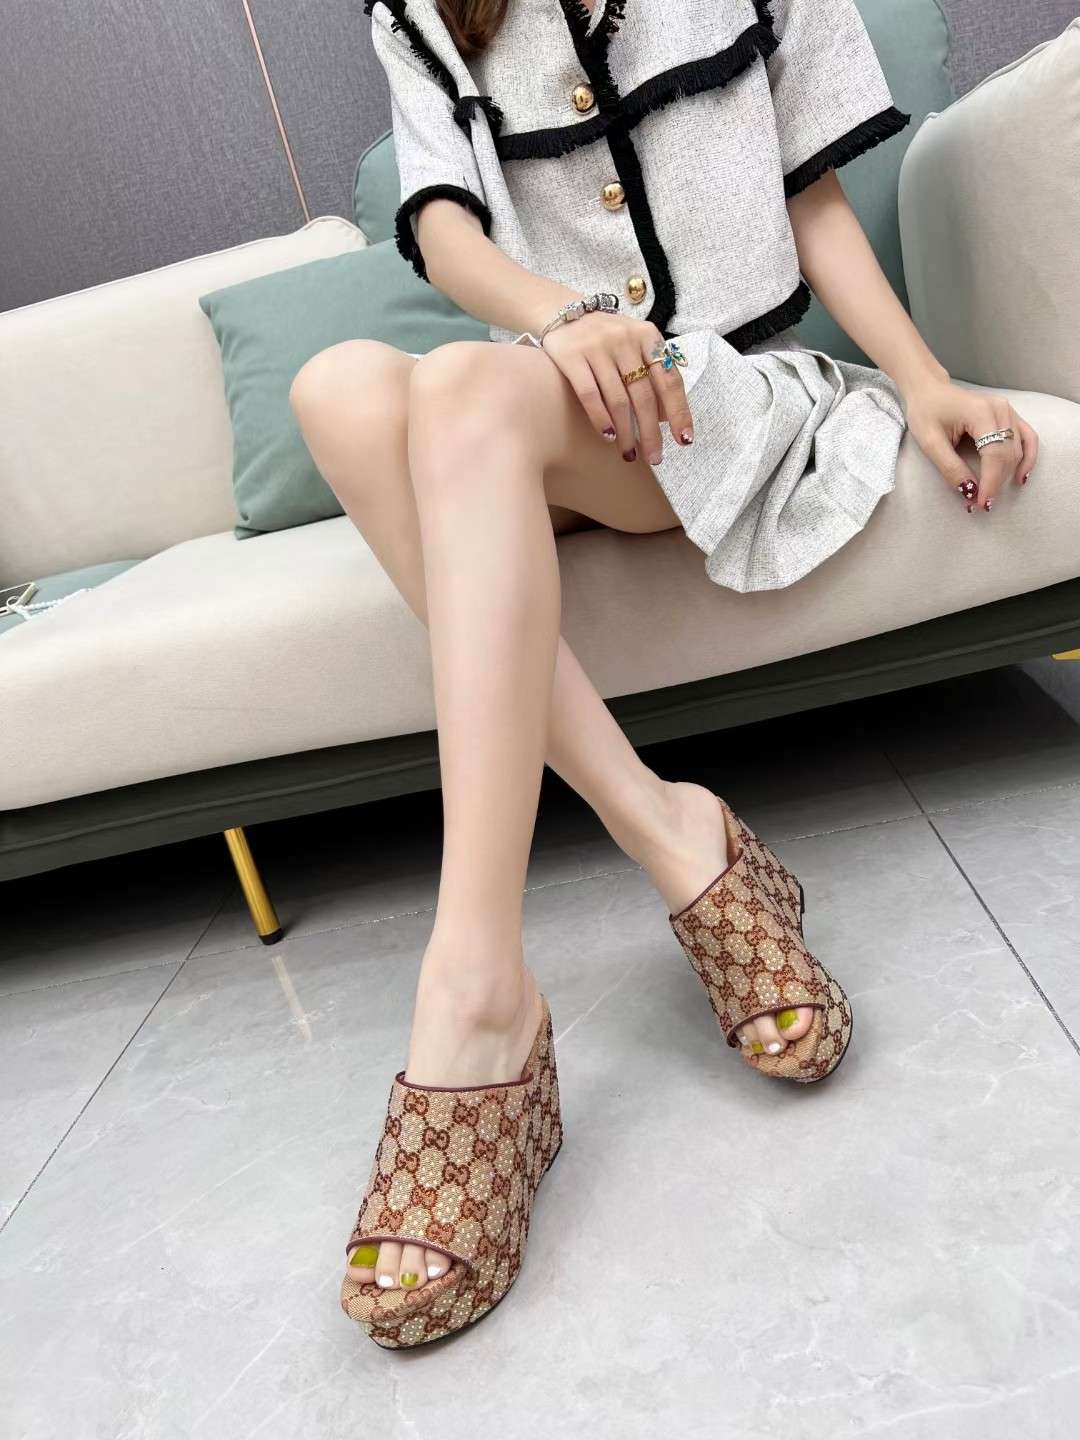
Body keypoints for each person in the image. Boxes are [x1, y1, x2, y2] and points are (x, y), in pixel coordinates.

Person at [289, 0, 1039, 1348]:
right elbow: (447, 228)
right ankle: (669, 827)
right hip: (552, 405)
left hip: (723, 397)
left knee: (459, 394)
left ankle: (475, 995)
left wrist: (923, 378)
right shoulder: (420, 8)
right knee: (336, 388)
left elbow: (809, 191)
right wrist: (563, 318)